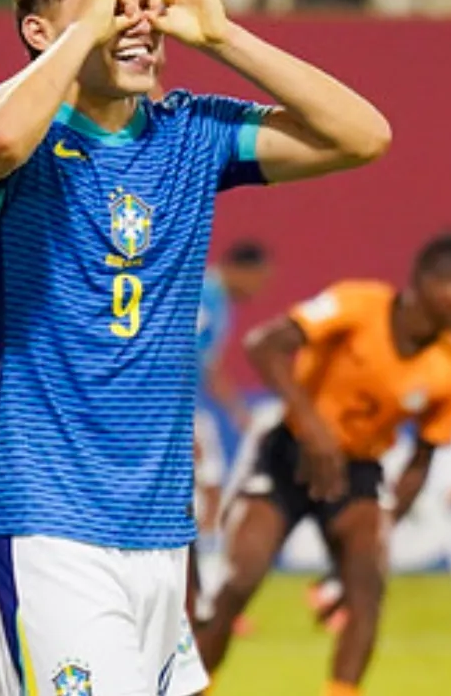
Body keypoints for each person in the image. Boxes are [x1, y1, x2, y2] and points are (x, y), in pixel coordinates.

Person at [0, 0, 392, 695]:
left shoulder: (191, 136)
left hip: (159, 531)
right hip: (47, 521)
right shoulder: (4, 126)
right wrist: (81, 38)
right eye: (108, 4)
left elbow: (364, 136)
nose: (136, 22)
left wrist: (224, 38)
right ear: (40, 30)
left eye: (144, 3)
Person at [197, 232, 451, 696]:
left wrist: (384, 529)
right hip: (288, 454)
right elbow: (263, 345)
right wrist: (313, 426)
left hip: (356, 472)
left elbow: (420, 461)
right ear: (429, 284)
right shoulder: (357, 304)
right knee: (239, 581)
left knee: (366, 593)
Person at [306, 357, 451, 637]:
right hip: (420, 445)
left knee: (443, 525)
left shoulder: (445, 347)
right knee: (424, 522)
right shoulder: (435, 345)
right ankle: (334, 588)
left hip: (420, 443)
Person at [190, 240, 271, 625]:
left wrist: (236, 411)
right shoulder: (204, 294)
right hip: (171, 409)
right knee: (208, 493)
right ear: (241, 269)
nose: (259, 288)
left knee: (209, 492)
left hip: (184, 408)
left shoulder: (218, 300)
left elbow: (209, 366)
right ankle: (206, 599)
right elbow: (176, 354)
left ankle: (205, 596)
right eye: (258, 278)